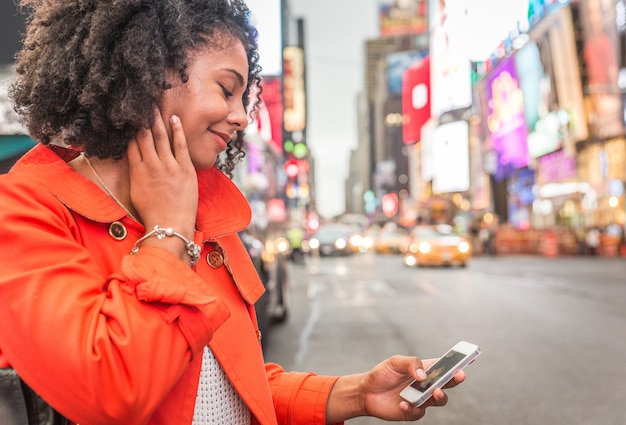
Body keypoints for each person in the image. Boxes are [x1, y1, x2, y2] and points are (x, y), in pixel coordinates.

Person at [0, 1, 467, 424]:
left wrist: (355, 393)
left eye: (244, 98)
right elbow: (110, 391)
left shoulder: (207, 217)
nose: (242, 115)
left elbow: (224, 391)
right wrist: (167, 232)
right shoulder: (25, 209)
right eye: (227, 89)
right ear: (145, 72)